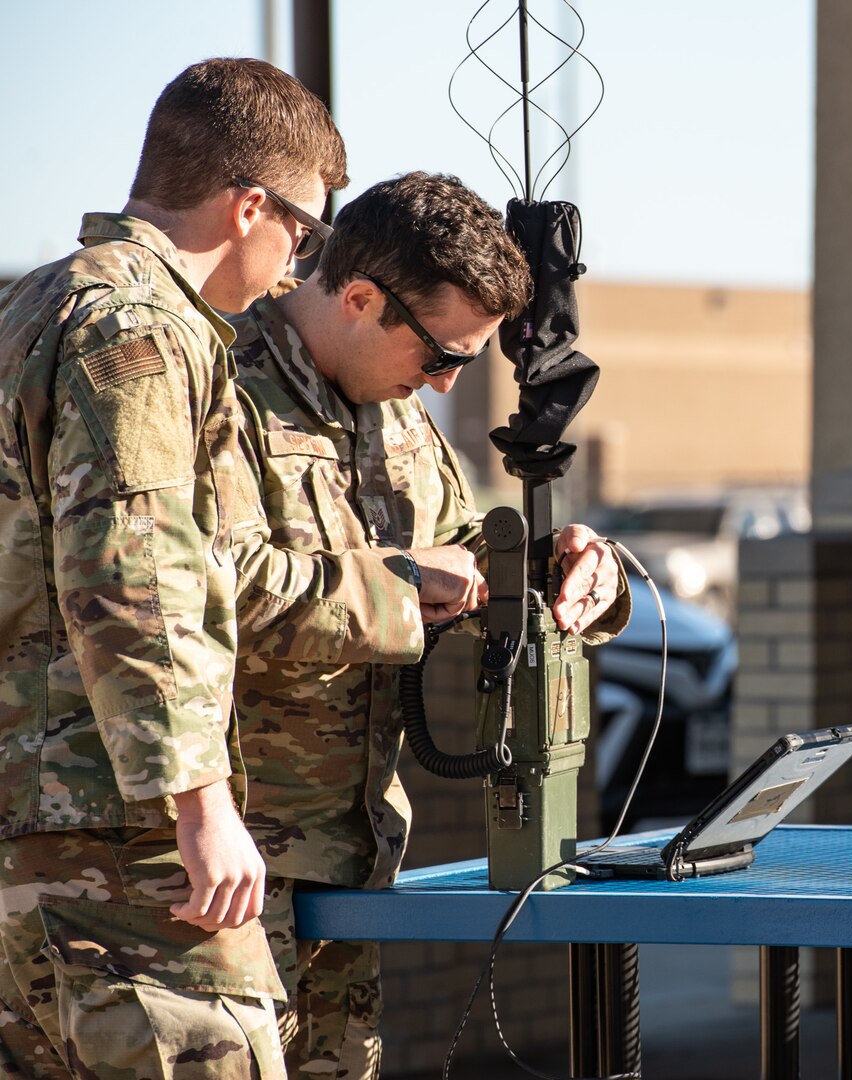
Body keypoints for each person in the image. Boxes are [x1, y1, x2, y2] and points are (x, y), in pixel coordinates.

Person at [0, 58, 487, 1080]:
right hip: (125, 856)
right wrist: (200, 805)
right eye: (302, 234)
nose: (294, 263)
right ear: (248, 205)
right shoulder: (142, 327)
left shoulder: (31, 307)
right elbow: (141, 575)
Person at [227, 171, 628, 1078]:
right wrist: (399, 585)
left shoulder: (399, 418)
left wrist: (568, 573)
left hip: (350, 866)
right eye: (441, 355)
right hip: (210, 870)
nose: (445, 383)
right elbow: (173, 598)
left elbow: (464, 560)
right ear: (362, 297)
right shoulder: (216, 387)